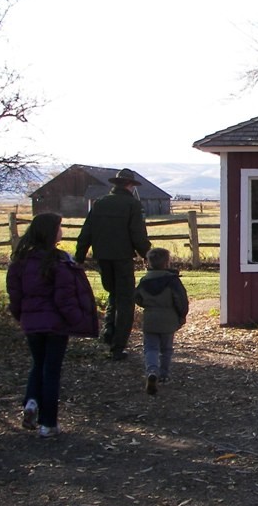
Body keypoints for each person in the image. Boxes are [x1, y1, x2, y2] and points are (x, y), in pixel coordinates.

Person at [7, 212, 99, 438]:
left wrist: (21, 316)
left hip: (31, 322)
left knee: (37, 364)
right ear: (50, 232)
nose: (62, 231)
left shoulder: (20, 261)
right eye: (59, 227)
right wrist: (77, 320)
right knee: (51, 371)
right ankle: (48, 423)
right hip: (56, 325)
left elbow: (15, 294)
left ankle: (31, 402)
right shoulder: (59, 261)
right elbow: (64, 297)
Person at [75, 168, 151, 360]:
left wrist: (80, 256)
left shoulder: (100, 203)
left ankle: (109, 333)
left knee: (113, 294)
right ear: (130, 185)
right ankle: (118, 346)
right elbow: (138, 234)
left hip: (102, 257)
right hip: (122, 257)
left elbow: (87, 231)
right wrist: (147, 254)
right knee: (125, 300)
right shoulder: (132, 205)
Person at [134, 247, 189, 395]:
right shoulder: (172, 281)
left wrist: (148, 305)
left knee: (150, 348)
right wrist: (182, 315)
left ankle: (152, 370)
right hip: (168, 319)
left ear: (149, 263)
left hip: (150, 319)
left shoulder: (144, 281)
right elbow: (181, 300)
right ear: (167, 263)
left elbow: (137, 298)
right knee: (166, 349)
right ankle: (164, 375)